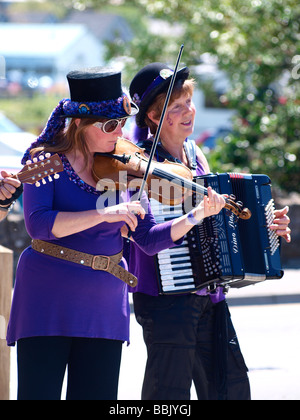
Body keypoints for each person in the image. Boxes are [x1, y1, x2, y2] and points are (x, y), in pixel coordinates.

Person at [6, 66, 225, 400]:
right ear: (79, 124)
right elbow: (39, 224)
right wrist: (104, 214)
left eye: (121, 123)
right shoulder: (46, 160)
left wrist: (196, 215)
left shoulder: (124, 167)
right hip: (46, 299)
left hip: (104, 304)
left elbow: (149, 240)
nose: (119, 132)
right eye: (109, 125)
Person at [126, 62, 292, 400]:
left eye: (189, 101)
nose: (189, 111)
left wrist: (264, 227)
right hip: (164, 299)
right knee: (168, 397)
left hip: (210, 295)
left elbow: (219, 225)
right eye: (177, 107)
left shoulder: (195, 154)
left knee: (230, 388)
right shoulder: (137, 165)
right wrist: (195, 215)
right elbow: (146, 240)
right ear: (155, 118)